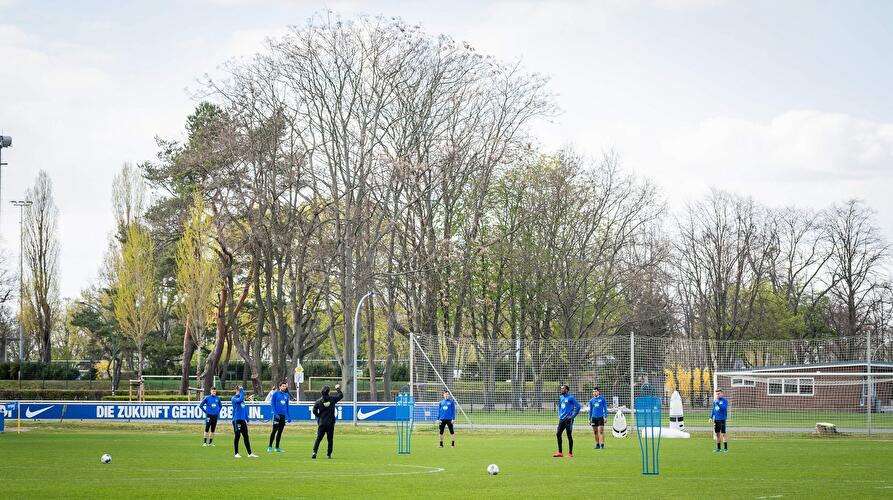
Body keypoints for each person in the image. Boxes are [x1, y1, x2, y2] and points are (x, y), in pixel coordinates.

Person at [312, 384, 343, 459]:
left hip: (322, 422)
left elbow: (314, 410)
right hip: (330, 423)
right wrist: (337, 388)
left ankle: (314, 452)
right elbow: (340, 396)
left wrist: (319, 416)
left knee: (318, 438)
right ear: (329, 392)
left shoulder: (318, 401)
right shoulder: (332, 399)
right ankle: (329, 454)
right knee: (330, 440)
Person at [554, 385, 580, 458]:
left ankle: (570, 453)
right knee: (558, 434)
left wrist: (572, 416)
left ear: (567, 390)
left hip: (568, 420)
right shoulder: (561, 397)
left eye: (563, 388)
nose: (561, 389)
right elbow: (559, 406)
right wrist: (559, 414)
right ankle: (560, 452)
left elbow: (578, 407)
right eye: (561, 388)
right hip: (562, 419)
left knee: (569, 435)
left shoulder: (571, 398)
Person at [232, 386, 258, 458]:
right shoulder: (234, 398)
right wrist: (242, 391)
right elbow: (240, 399)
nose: (241, 392)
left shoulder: (242, 400)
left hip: (242, 420)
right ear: (237, 390)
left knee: (246, 436)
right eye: (240, 391)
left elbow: (244, 409)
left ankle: (250, 453)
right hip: (236, 420)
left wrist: (247, 418)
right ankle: (236, 453)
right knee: (237, 436)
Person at [268, 381, 290, 452]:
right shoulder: (276, 393)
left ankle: (277, 447)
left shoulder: (286, 395)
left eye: (285, 386)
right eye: (283, 386)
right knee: (274, 431)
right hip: (276, 415)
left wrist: (288, 416)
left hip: (283, 416)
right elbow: (272, 404)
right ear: (280, 386)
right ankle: (270, 446)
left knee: (280, 432)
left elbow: (287, 407)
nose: (284, 387)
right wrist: (275, 413)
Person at [710, 388, 729, 453]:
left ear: (722, 394)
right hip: (716, 420)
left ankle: (725, 448)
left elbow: (724, 408)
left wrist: (717, 403)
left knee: (723, 434)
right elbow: (713, 409)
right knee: (717, 434)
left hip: (722, 420)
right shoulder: (715, 401)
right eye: (717, 394)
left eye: (719, 394)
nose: (717, 395)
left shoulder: (724, 401)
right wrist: (711, 417)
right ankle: (718, 448)